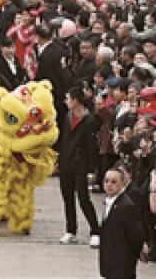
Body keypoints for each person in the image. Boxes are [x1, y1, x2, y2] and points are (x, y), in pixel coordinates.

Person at [59, 87, 100, 247]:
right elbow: (63, 140)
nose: (66, 102)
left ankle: (95, 231)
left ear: (76, 100)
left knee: (83, 198)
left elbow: (92, 147)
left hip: (81, 165)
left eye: (68, 98)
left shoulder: (89, 120)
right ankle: (71, 230)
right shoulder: (68, 117)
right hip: (66, 162)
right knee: (67, 198)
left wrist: (92, 168)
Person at [98, 167, 143, 279]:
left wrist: (129, 261)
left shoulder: (126, 206)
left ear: (122, 184)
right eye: (106, 181)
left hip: (122, 267)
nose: (109, 185)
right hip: (111, 265)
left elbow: (136, 237)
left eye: (113, 182)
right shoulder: (111, 202)